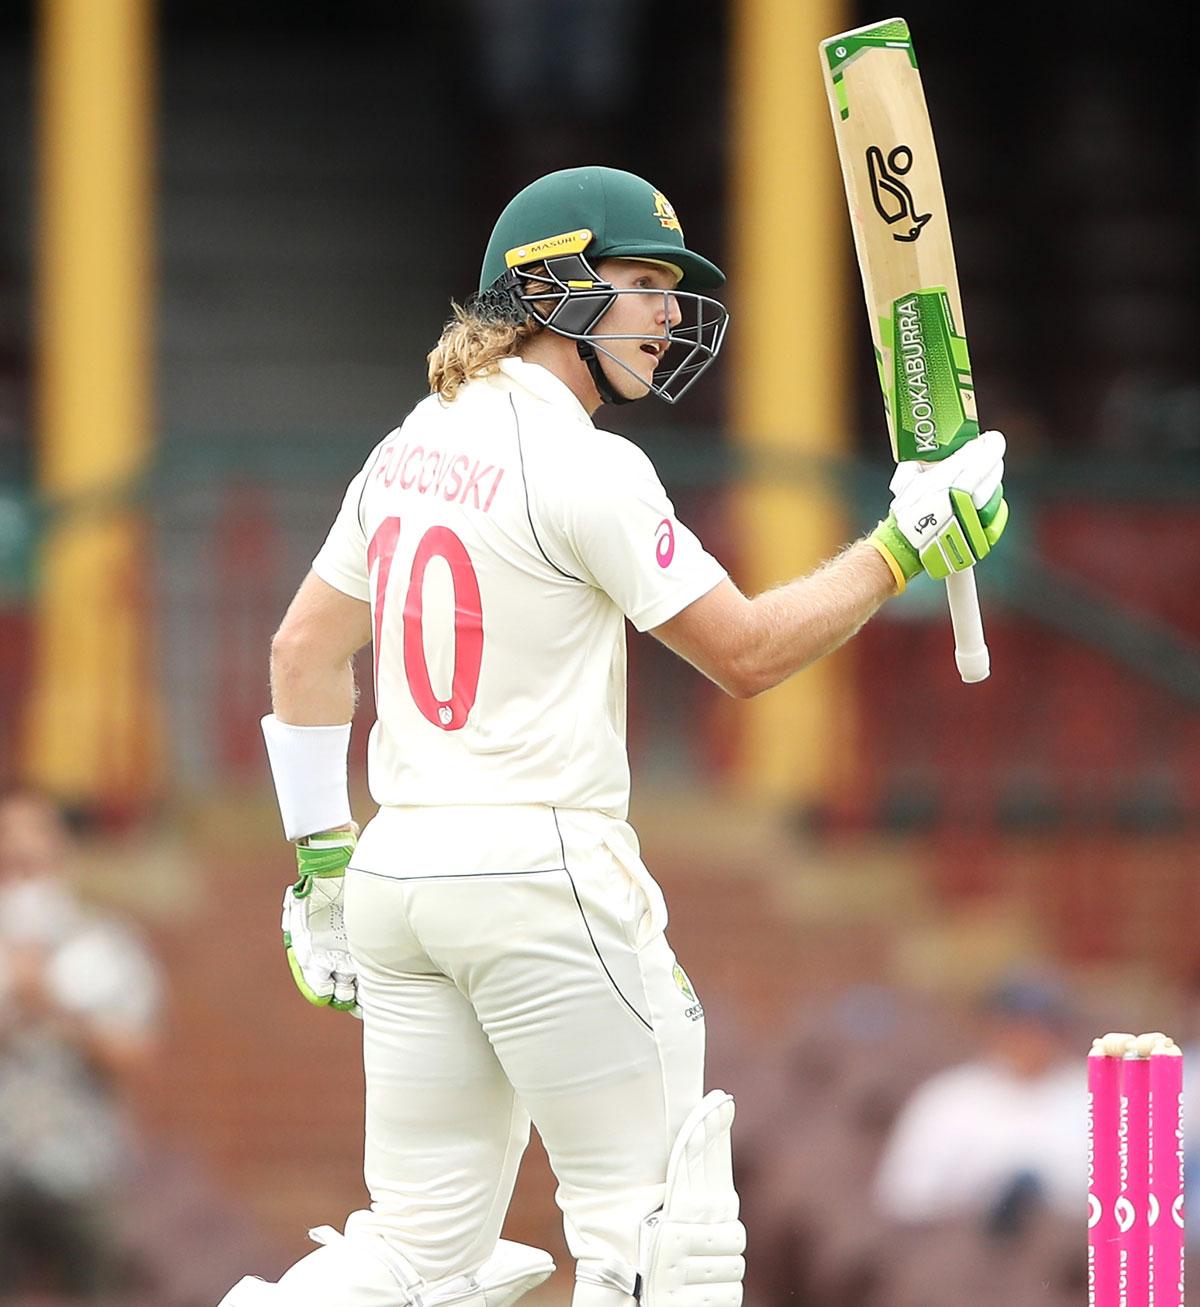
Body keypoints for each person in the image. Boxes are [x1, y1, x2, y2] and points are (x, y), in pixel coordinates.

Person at [222, 165, 1008, 1307]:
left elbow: (302, 650)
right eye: (643, 282)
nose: (672, 313)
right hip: (542, 873)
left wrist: (323, 860)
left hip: (397, 874)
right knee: (658, 1242)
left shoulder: (406, 446)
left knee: (412, 1255)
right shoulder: (588, 466)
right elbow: (745, 654)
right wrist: (902, 546)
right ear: (549, 293)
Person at [0, 789, 162, 1299]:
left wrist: (55, 1009)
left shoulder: (105, 941)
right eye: (9, 839)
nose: (22, 851)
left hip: (81, 1164)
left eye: (35, 836)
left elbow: (134, 1054)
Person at [872, 969, 1085, 1229]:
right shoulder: (949, 1097)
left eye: (1043, 1025)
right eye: (1016, 1025)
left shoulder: (1095, 1095)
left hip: (1074, 1246)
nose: (1030, 1037)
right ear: (992, 1028)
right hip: (970, 1242)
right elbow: (904, 1196)